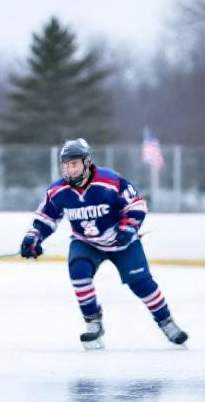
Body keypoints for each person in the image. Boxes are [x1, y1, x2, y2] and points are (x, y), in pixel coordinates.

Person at [19, 138, 188, 349]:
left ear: (87, 163)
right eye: (66, 164)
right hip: (86, 243)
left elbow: (136, 205)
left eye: (74, 164)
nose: (69, 169)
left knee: (142, 284)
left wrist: (128, 227)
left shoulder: (110, 181)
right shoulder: (58, 191)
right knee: (79, 272)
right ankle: (93, 322)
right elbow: (46, 218)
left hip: (122, 242)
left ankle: (166, 321)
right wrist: (32, 238)